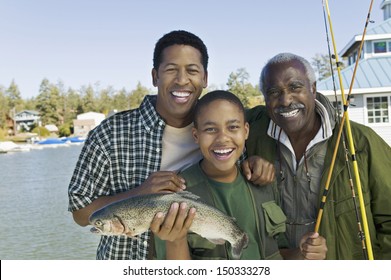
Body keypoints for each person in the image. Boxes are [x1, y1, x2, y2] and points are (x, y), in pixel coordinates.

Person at [68, 30, 272, 260]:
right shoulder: (109, 135)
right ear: (155, 76)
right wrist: (140, 193)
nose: (182, 80)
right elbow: (80, 213)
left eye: (192, 71)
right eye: (171, 70)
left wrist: (254, 164)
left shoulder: (221, 131)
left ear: (204, 78)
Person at [245, 52, 391, 259]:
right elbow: (211, 121)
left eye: (295, 87)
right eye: (274, 92)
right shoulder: (251, 134)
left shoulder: (360, 141)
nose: (285, 100)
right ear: (265, 100)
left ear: (313, 89)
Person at [151, 90, 327, 260]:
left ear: (246, 131)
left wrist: (303, 254)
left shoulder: (263, 182)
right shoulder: (176, 194)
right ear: (196, 136)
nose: (223, 138)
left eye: (233, 127)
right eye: (211, 129)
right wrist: (176, 241)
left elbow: (278, 254)